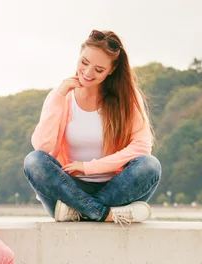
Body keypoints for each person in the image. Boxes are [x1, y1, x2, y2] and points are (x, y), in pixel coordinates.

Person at [24, 30, 162, 225]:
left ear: (111, 70)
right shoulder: (61, 98)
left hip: (116, 187)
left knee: (150, 165)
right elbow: (42, 146)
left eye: (98, 69)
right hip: (69, 188)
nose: (88, 73)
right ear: (79, 56)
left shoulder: (127, 100)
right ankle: (106, 214)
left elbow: (141, 147)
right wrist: (58, 96)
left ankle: (81, 211)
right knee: (33, 160)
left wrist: (89, 167)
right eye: (84, 63)